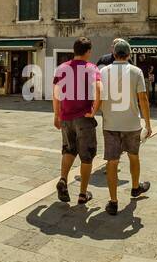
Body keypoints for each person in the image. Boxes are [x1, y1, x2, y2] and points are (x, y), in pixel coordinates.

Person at [99, 38, 151, 216]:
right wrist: (148, 124)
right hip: (131, 124)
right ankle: (135, 187)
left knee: (112, 162)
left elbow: (97, 96)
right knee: (133, 156)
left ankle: (113, 201)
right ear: (129, 55)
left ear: (113, 54)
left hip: (111, 124)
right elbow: (143, 98)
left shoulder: (103, 72)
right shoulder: (136, 72)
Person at [51, 36, 101, 206]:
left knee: (68, 150)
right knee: (87, 157)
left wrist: (56, 115)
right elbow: (99, 91)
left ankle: (63, 179)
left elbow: (56, 95)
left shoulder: (61, 68)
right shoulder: (92, 68)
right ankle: (82, 194)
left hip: (66, 117)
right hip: (84, 118)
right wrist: (94, 110)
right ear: (88, 52)